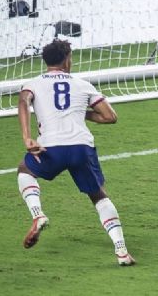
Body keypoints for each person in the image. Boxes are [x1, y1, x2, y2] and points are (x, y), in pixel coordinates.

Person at [15, 39, 135, 266]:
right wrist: (80, 113)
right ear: (67, 59)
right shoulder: (83, 84)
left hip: (50, 148)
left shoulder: (33, 83)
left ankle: (38, 214)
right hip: (81, 147)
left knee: (25, 170)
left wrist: (26, 137)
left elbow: (23, 101)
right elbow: (110, 117)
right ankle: (121, 251)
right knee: (98, 195)